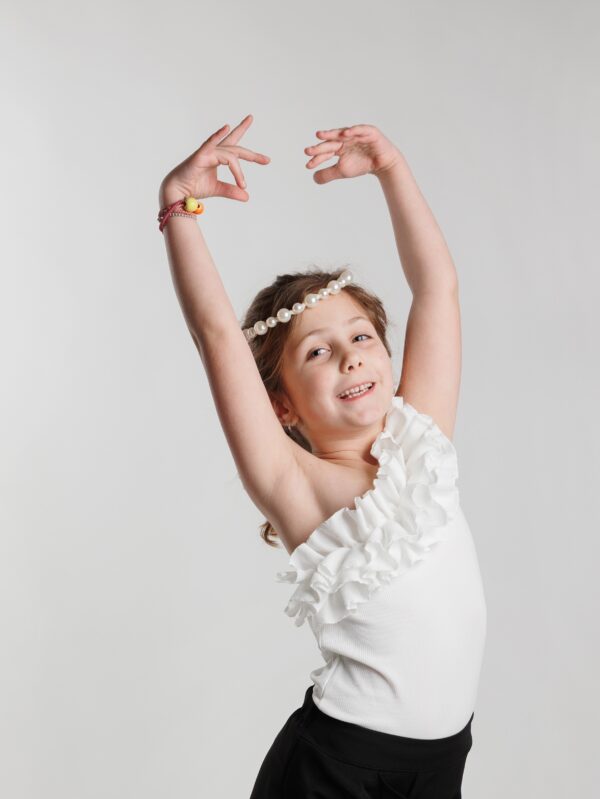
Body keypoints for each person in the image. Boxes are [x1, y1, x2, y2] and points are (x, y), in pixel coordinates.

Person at [157, 114, 487, 798]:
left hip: (441, 764)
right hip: (336, 772)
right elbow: (217, 335)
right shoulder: (297, 485)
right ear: (282, 405)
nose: (350, 356)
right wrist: (179, 208)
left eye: (361, 336)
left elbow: (438, 287)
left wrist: (392, 171)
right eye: (317, 351)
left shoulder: (422, 442)